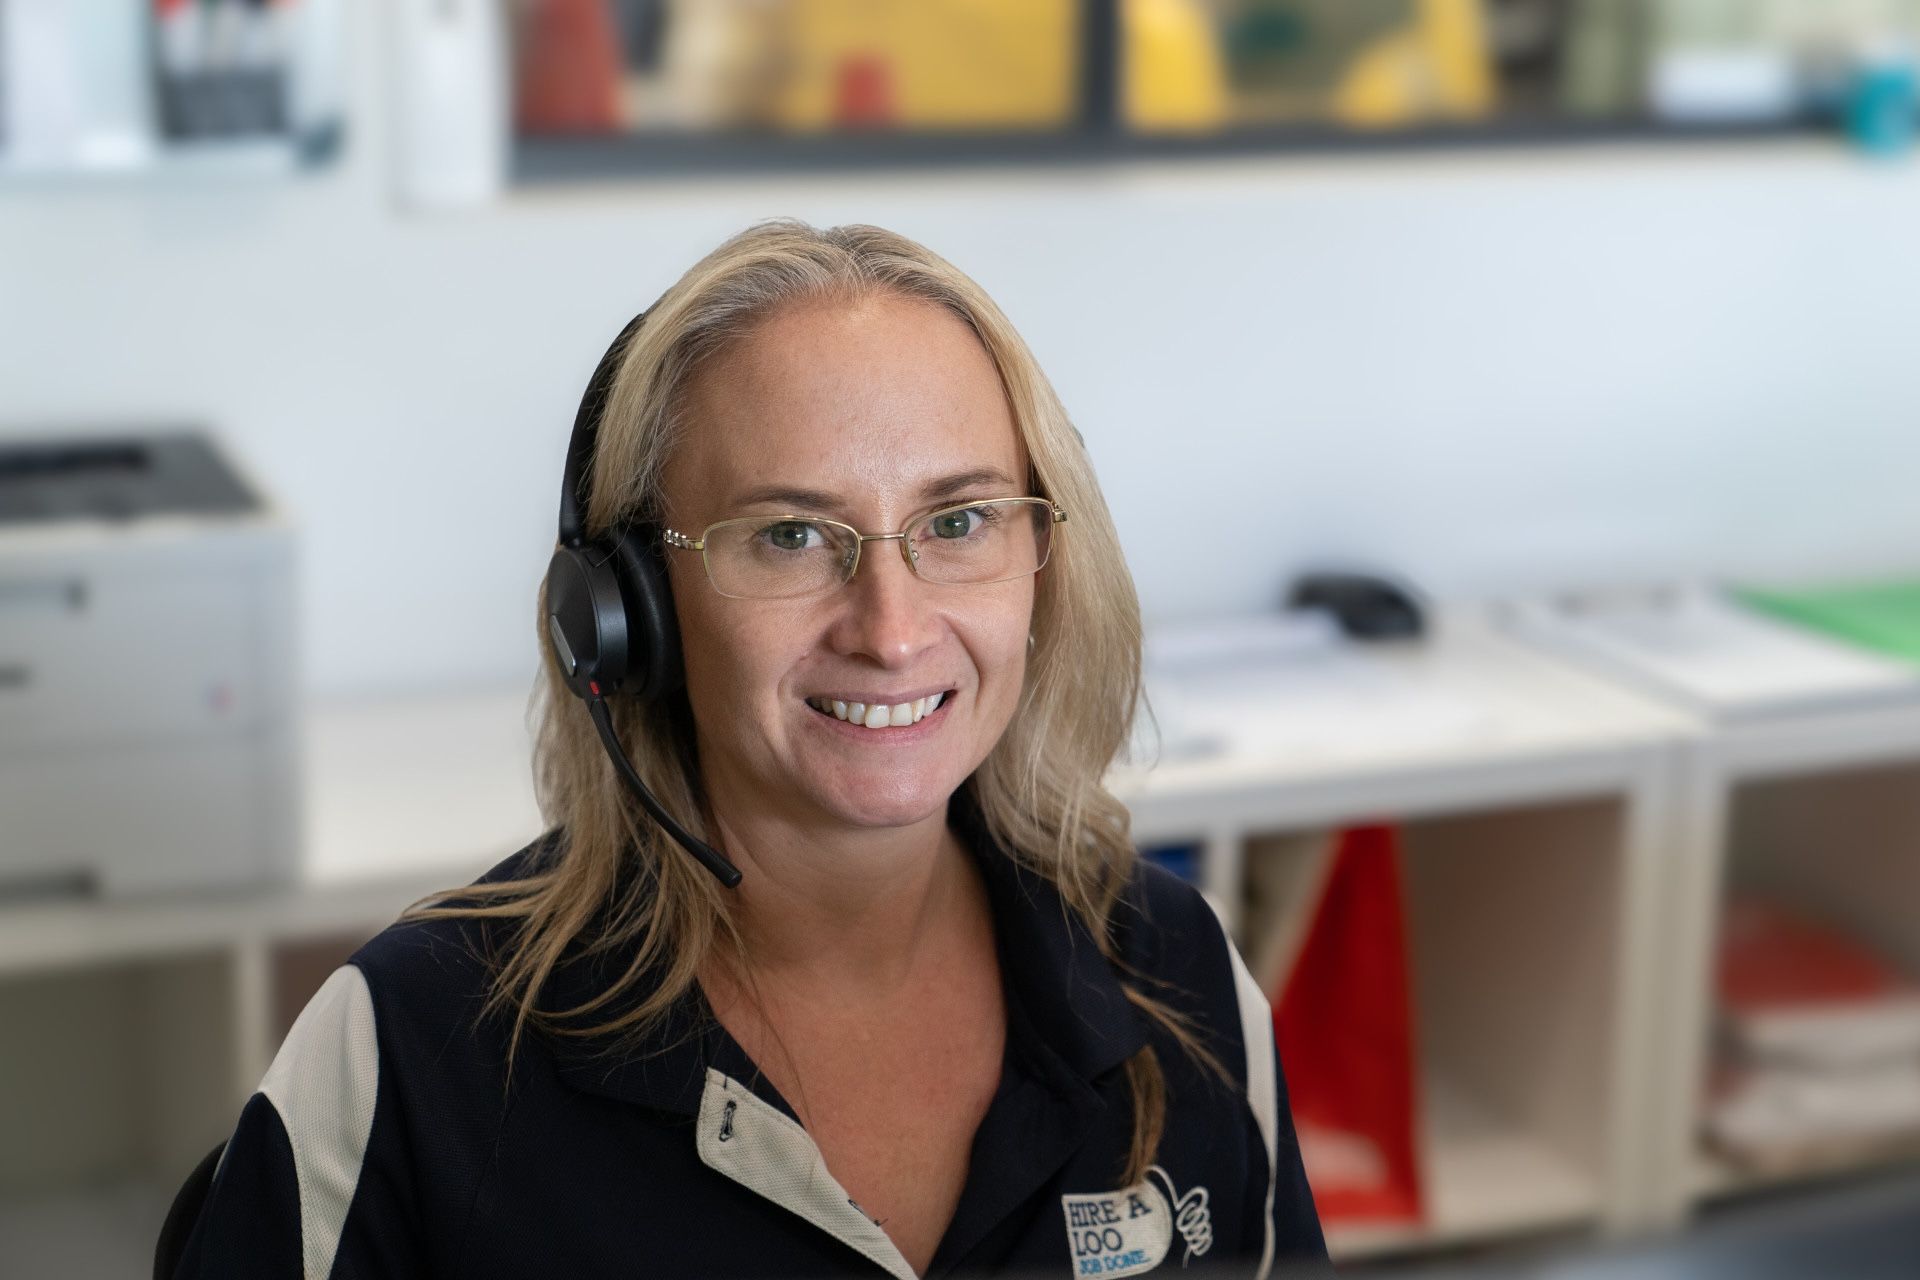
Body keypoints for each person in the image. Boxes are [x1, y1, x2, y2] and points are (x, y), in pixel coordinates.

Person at [169, 220, 1328, 1278]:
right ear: (630, 613)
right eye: (788, 535)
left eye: (959, 521)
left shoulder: (1176, 974)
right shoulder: (408, 1055)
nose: (892, 629)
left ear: (1042, 557)